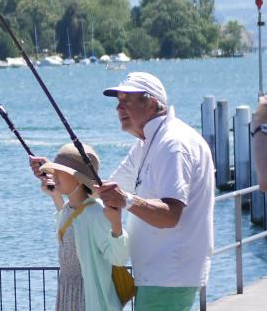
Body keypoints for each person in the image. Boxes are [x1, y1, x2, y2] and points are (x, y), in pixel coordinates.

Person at [67, 72, 212, 311]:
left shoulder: (173, 144)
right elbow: (104, 189)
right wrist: (57, 172)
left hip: (169, 276)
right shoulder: (147, 143)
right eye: (118, 101)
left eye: (127, 101)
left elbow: (170, 215)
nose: (119, 108)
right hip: (158, 275)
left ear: (152, 103)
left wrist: (127, 200)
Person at [35, 143, 129, 310]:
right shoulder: (67, 210)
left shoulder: (96, 212)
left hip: (88, 298)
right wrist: (55, 197)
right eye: (54, 172)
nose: (54, 177)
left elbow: (118, 258)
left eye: (60, 173)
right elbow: (67, 230)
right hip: (67, 293)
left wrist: (116, 224)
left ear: (78, 178)